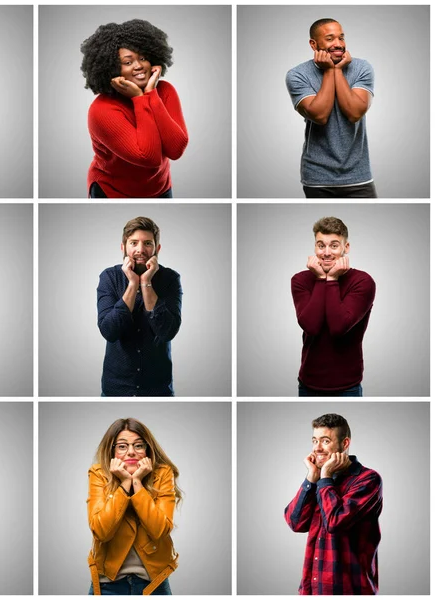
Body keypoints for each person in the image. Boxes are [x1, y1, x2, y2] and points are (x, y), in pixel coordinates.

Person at [81, 19, 188, 198]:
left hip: (160, 187)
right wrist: (139, 98)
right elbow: (149, 158)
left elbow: (176, 150)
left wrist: (151, 94)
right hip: (113, 191)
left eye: (143, 58)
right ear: (112, 68)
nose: (138, 66)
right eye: (128, 62)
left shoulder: (165, 91)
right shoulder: (101, 110)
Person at [284, 413, 382, 595]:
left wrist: (325, 477)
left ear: (345, 444)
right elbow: (295, 523)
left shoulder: (368, 480)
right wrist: (311, 478)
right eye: (314, 441)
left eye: (325, 441)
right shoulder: (319, 480)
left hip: (349, 590)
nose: (317, 448)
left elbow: (334, 522)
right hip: (311, 590)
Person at [87, 417, 182, 595]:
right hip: (107, 583)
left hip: (154, 583)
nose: (131, 452)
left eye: (138, 445)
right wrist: (124, 484)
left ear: (147, 450)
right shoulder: (99, 474)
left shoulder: (162, 473)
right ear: (111, 450)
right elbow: (101, 531)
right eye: (122, 446)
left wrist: (136, 483)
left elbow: (160, 530)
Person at [286, 19, 376, 198]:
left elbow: (355, 113)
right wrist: (330, 71)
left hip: (359, 176)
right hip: (317, 177)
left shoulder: (361, 68)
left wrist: (337, 71)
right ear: (314, 44)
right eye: (330, 39)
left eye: (341, 38)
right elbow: (319, 115)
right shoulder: (297, 75)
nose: (338, 44)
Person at [97, 217, 182, 396]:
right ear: (123, 247)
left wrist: (146, 283)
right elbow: (109, 331)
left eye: (147, 243)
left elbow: (167, 331)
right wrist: (132, 284)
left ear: (157, 249)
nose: (140, 250)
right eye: (133, 243)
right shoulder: (109, 278)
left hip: (158, 390)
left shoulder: (170, 280)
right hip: (115, 389)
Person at [291, 217, 375, 396]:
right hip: (308, 383)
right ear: (315, 247)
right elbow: (311, 326)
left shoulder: (363, 282)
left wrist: (332, 279)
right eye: (321, 245)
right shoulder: (300, 280)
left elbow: (338, 327)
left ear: (346, 248)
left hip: (347, 386)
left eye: (334, 245)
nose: (326, 252)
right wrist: (322, 279)